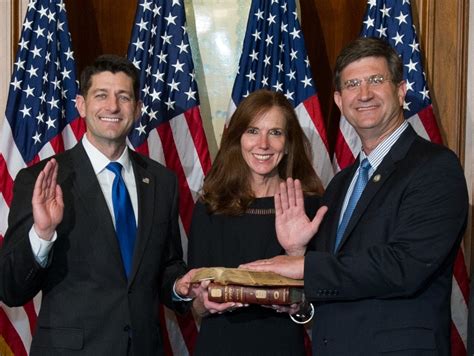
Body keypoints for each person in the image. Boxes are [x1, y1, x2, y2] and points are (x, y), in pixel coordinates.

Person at [242, 37, 469, 355]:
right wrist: (297, 254)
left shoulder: (434, 167)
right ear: (338, 99)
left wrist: (305, 267)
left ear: (401, 90)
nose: (364, 94)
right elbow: (337, 283)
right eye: (352, 84)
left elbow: (404, 265)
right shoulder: (339, 184)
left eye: (376, 80)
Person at [0, 55, 199, 355]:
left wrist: (178, 288)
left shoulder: (162, 181)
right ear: (81, 105)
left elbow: (166, 265)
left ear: (138, 108)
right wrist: (42, 234)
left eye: (124, 97)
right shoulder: (42, 180)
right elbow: (11, 289)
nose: (112, 107)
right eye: (101, 95)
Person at [187, 89, 325, 355]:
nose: (263, 144)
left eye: (275, 132)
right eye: (252, 131)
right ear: (238, 138)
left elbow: (320, 301)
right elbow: (196, 303)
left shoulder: (310, 208)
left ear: (288, 144)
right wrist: (205, 303)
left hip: (283, 347)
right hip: (219, 346)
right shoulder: (210, 207)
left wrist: (299, 299)